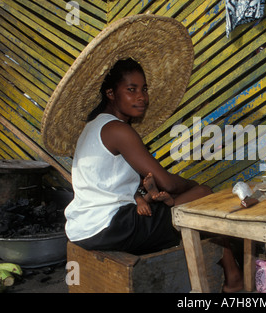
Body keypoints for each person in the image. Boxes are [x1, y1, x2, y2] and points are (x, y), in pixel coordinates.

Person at [41, 15, 243, 292]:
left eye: (144, 89)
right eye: (131, 90)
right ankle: (233, 279)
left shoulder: (94, 127)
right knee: (204, 195)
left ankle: (230, 275)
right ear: (111, 93)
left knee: (180, 204)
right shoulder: (118, 130)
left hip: (85, 226)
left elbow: (129, 185)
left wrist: (147, 195)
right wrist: (191, 186)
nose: (142, 97)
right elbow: (168, 182)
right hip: (110, 227)